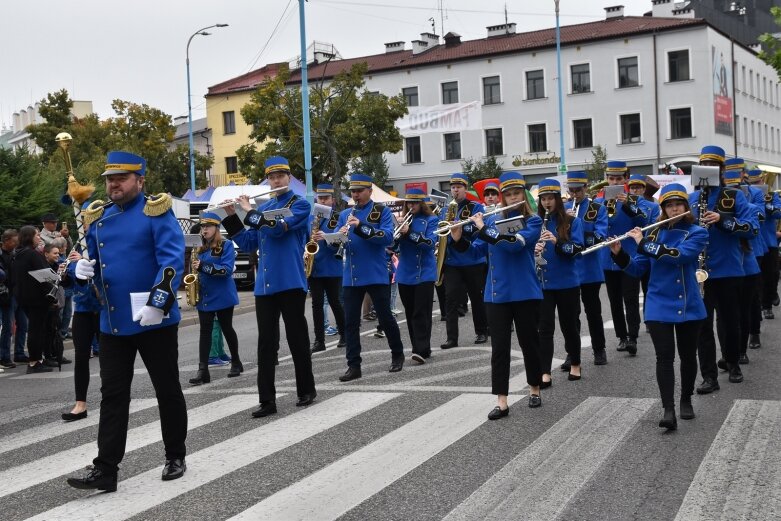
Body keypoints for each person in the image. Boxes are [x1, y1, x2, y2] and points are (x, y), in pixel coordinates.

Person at [66, 151, 187, 492]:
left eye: (121, 178)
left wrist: (159, 302)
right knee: (113, 396)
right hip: (114, 322)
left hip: (154, 321)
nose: (113, 183)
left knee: (167, 390)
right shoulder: (99, 218)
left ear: (140, 180)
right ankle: (106, 468)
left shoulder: (156, 212)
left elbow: (172, 262)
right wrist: (79, 269)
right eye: (109, 178)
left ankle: (175, 454)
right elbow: (89, 264)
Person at [222, 156, 316, 417]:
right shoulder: (265, 207)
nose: (275, 181)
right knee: (266, 344)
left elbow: (276, 230)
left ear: (289, 177)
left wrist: (249, 212)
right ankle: (267, 400)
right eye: (271, 177)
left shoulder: (300, 204)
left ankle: (306, 390)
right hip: (266, 286)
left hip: (291, 281)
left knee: (297, 339)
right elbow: (250, 242)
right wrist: (233, 216)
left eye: (280, 176)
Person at [610, 183, 708, 430]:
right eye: (669, 206)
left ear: (686, 207)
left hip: (688, 304)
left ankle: (686, 398)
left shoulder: (697, 232)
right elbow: (637, 269)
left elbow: (679, 256)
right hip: (657, 303)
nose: (675, 209)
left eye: (679, 205)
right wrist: (619, 254)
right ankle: (668, 409)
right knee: (664, 358)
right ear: (663, 209)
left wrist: (643, 243)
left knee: (687, 356)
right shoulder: (653, 233)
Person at [452, 171, 544, 418]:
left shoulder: (533, 221)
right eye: (508, 194)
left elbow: (513, 245)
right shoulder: (491, 221)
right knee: (499, 349)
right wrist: (459, 239)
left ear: (523, 195)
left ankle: (534, 388)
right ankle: (501, 400)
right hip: (496, 294)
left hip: (525, 292)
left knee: (529, 344)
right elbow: (476, 253)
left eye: (516, 193)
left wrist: (482, 228)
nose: (512, 197)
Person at [689, 145, 757, 394]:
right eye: (703, 165)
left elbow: (751, 228)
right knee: (703, 325)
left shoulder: (734, 196)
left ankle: (733, 362)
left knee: (730, 322)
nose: (707, 170)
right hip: (700, 271)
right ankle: (709, 376)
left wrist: (723, 220)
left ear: (720, 169)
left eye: (713, 166)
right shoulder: (692, 199)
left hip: (728, 269)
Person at [332, 173, 405, 381]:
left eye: (359, 191)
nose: (356, 195)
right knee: (351, 322)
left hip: (375, 272)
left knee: (385, 317)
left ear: (369, 192)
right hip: (351, 275)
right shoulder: (345, 213)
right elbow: (338, 237)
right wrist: (331, 239)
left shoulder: (381, 211)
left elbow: (387, 237)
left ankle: (397, 354)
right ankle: (353, 365)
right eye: (353, 191)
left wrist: (360, 226)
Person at [595, 161, 647, 355]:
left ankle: (633, 337)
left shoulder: (634, 200)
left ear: (626, 179)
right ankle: (622, 337)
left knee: (631, 298)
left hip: (629, 256)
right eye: (611, 178)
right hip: (608, 257)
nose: (614, 181)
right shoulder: (599, 202)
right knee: (614, 300)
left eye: (618, 178)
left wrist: (626, 204)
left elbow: (643, 222)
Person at [535, 178, 585, 385]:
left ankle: (575, 363)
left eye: (550, 198)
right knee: (544, 328)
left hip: (567, 283)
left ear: (558, 199)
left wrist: (558, 242)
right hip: (543, 283)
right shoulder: (535, 222)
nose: (547, 203)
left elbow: (578, 251)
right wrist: (534, 250)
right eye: (543, 199)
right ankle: (545, 371)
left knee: (569, 326)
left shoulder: (573, 222)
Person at [188, 212, 242, 385]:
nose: (204, 230)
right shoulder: (199, 247)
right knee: (205, 332)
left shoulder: (225, 245)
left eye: (208, 227)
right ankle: (203, 370)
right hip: (204, 295)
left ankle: (236, 361)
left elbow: (226, 270)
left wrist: (204, 266)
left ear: (216, 228)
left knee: (227, 328)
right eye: (203, 227)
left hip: (222, 294)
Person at [440, 173, 489, 349]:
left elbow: (478, 231)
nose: (455, 190)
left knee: (477, 297)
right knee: (450, 299)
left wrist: (459, 231)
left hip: (473, 260)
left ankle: (482, 331)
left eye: (458, 187)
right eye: (452, 187)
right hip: (453, 262)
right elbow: (442, 233)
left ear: (465, 189)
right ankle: (452, 338)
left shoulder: (476, 207)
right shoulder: (446, 210)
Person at [565, 171, 608, 366]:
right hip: (570, 268)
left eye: (578, 190)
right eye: (571, 190)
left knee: (593, 312)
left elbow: (599, 236)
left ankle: (599, 349)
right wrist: (565, 223)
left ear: (586, 188)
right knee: (571, 314)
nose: (575, 194)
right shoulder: (564, 208)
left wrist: (577, 224)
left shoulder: (597, 208)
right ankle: (571, 354)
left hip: (589, 267)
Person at [62, 213, 102, 422]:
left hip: (103, 308)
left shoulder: (104, 245)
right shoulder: (76, 248)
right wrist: (68, 271)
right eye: (85, 224)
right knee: (81, 356)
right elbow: (68, 284)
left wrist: (89, 265)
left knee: (108, 356)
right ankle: (80, 404)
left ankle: (111, 397)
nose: (86, 228)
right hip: (83, 309)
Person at [395, 188, 439, 364]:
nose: (411, 206)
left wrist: (409, 233)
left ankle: (420, 348)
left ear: (422, 203)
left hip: (424, 272)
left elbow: (429, 244)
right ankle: (420, 348)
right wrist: (397, 232)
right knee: (411, 312)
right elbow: (391, 244)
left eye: (414, 203)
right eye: (409, 203)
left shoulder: (432, 220)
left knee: (421, 312)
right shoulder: (402, 219)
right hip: (405, 272)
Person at [308, 183, 347, 353]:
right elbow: (304, 239)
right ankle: (319, 340)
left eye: (326, 198)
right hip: (315, 267)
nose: (322, 200)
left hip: (332, 267)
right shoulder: (311, 218)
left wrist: (326, 238)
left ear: (332, 200)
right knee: (316, 305)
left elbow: (340, 242)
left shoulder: (336, 218)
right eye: (320, 198)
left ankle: (344, 335)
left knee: (336, 302)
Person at [11, 226, 54, 373]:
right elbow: (45, 276)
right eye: (36, 235)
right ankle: (35, 362)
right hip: (37, 298)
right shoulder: (32, 254)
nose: (39, 237)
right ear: (29, 237)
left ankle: (37, 359)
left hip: (23, 297)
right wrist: (52, 293)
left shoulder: (17, 254)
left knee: (34, 328)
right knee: (37, 330)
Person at [746, 168, 781, 320]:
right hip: (757, 242)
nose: (755, 185)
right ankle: (765, 306)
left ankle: (772, 292)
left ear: (763, 181)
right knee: (759, 277)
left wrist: (767, 204)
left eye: (758, 182)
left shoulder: (772, 196)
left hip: (770, 240)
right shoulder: (746, 195)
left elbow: (779, 213)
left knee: (772, 274)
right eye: (752, 183)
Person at [0, 229, 23, 368]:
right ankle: (4, 356)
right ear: (7, 240)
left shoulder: (15, 254)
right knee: (8, 327)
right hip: (5, 294)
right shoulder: (2, 255)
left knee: (23, 324)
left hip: (17, 293)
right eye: (14, 241)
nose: (16, 244)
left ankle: (19, 353)